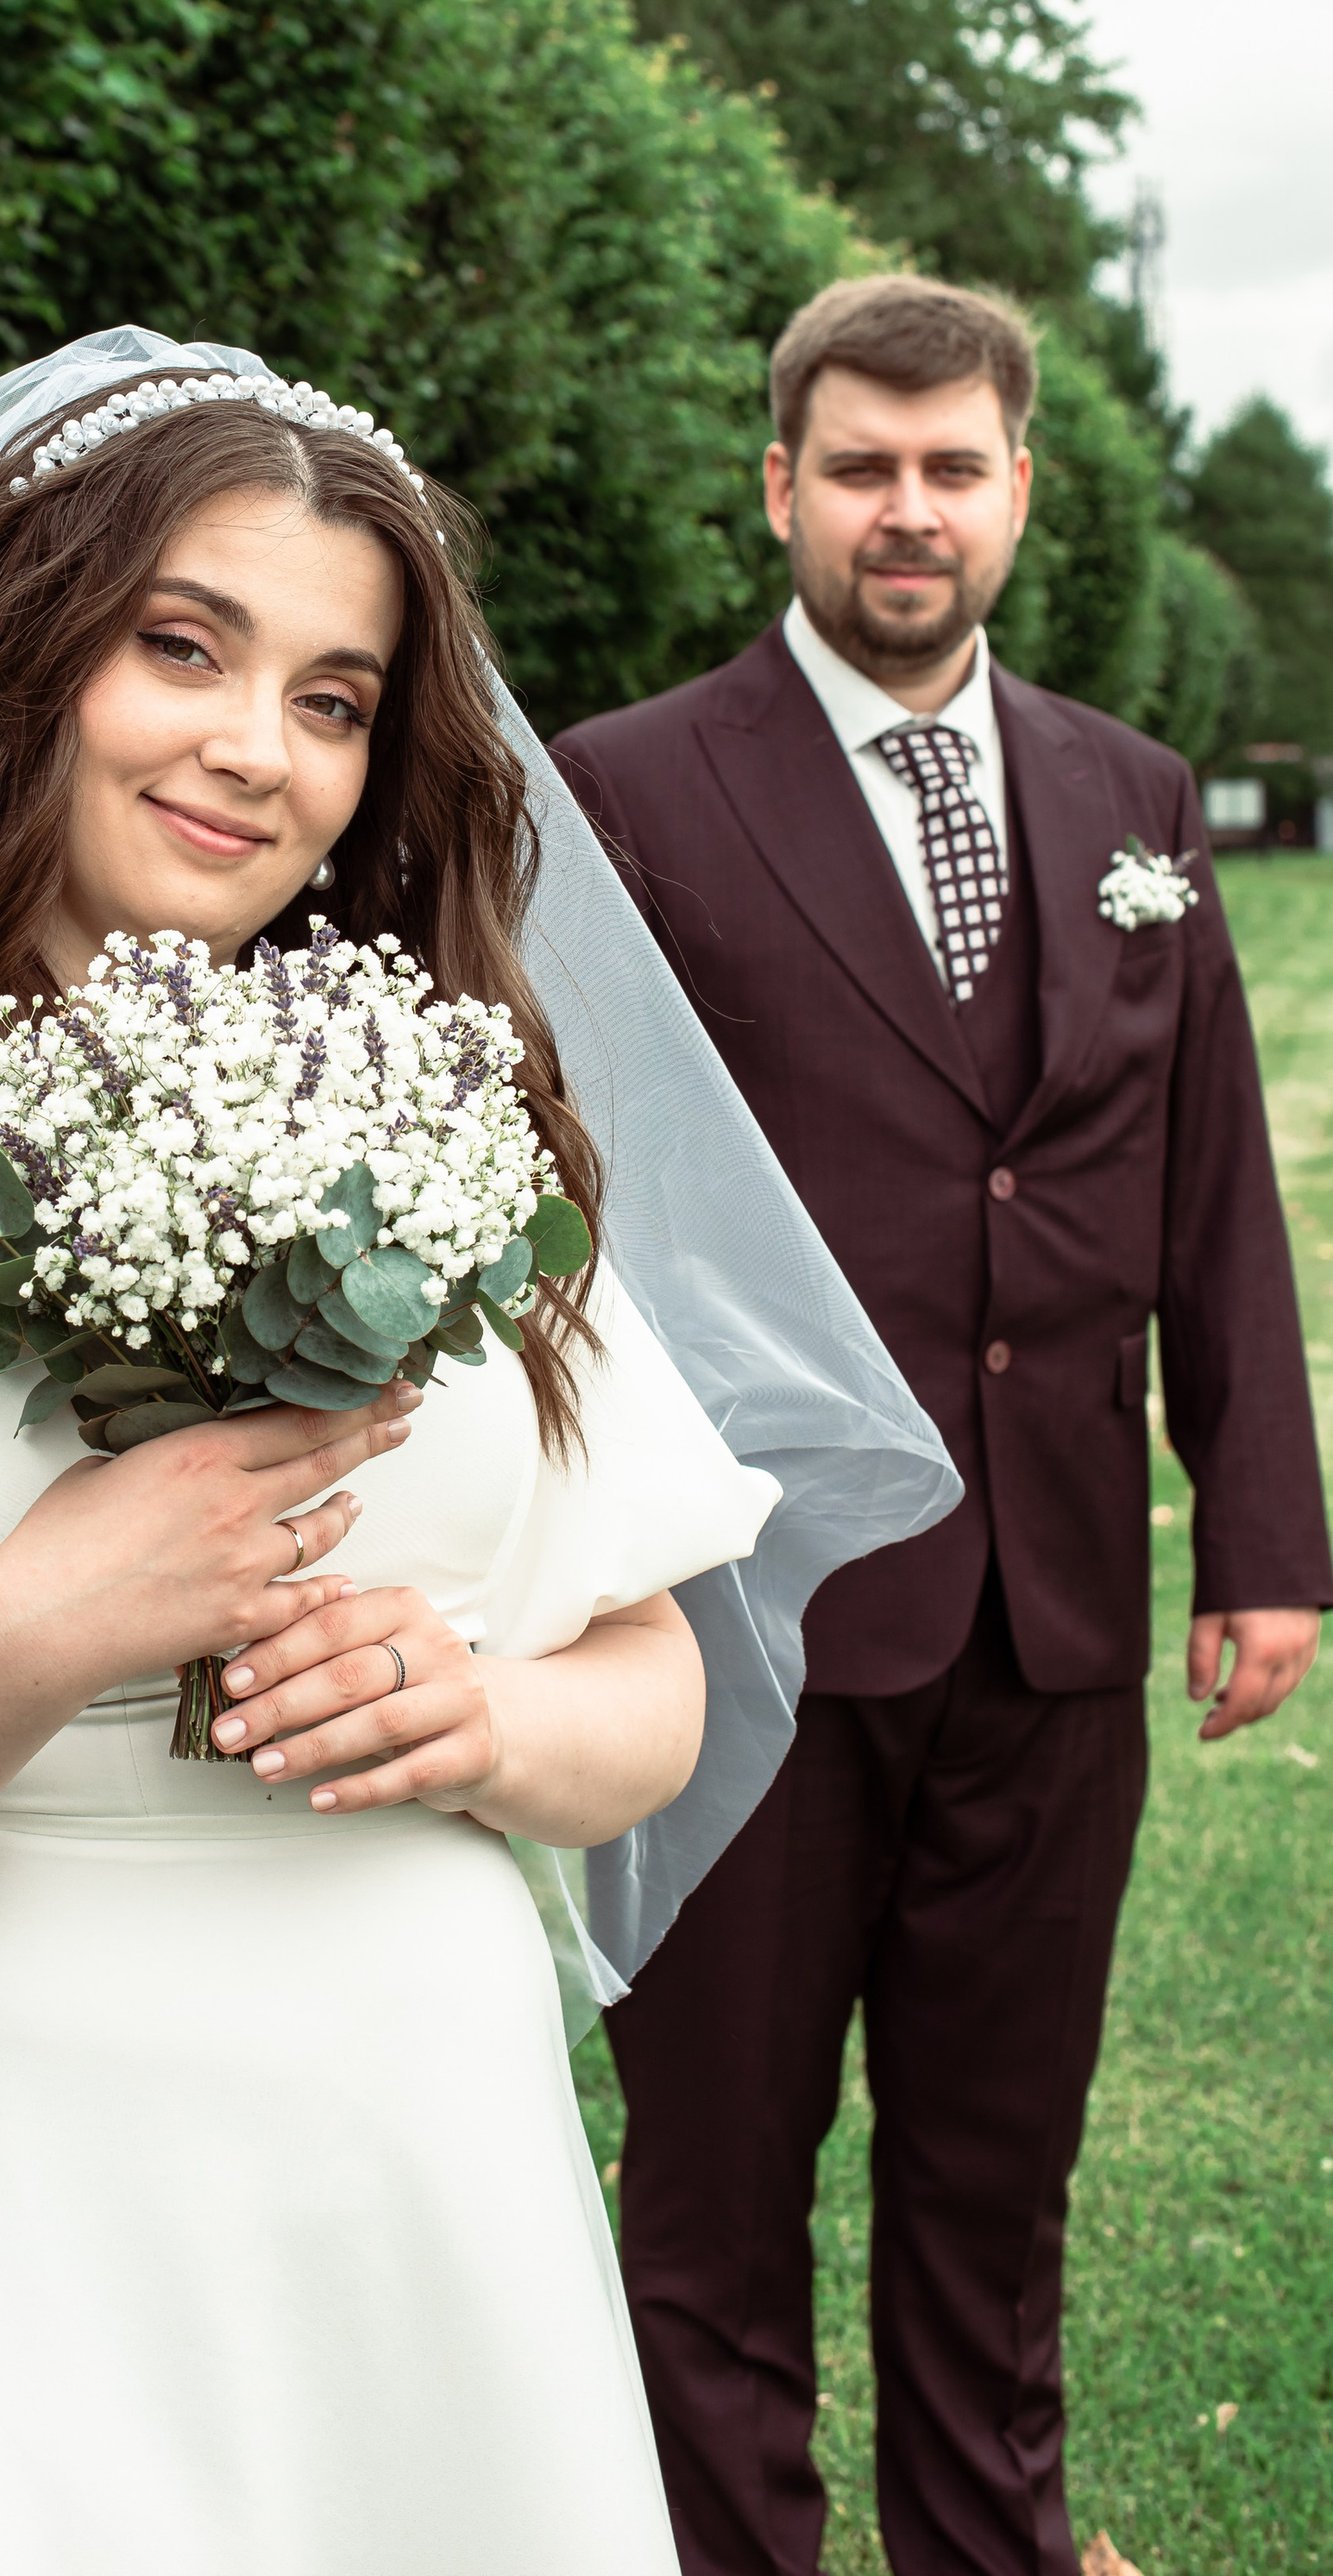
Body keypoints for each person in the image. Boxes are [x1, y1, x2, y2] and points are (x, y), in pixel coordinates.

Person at [0, 330, 954, 2574]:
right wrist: (31, 1630)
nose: (256, 749)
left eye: (337, 695)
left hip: (424, 2205)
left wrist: (488, 1711)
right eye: (186, 644)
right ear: (18, 651)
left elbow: (650, 1678)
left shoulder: (456, 1155)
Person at [552, 273, 1330, 2576]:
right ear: (783, 485)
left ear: (1017, 496)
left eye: (953, 467)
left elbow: (1206, 1178)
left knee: (995, 2187)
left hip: (1057, 1608)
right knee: (716, 2190)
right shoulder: (626, 791)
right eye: (864, 465)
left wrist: (1266, 1532)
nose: (912, 510)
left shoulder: (1132, 798)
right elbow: (565, 1200)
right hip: (741, 1623)